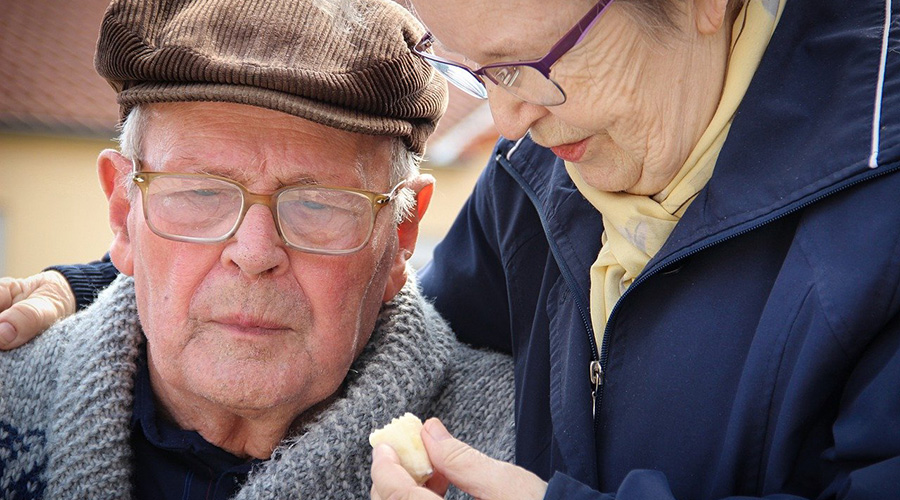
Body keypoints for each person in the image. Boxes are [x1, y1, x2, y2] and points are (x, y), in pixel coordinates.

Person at [3, 0, 900, 498]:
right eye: (478, 74)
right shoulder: (537, 177)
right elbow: (365, 305)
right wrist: (92, 293)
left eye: (533, 62)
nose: (505, 124)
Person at [0, 0, 516, 498]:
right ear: (123, 214)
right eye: (201, 192)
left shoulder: (520, 449)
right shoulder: (9, 398)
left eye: (316, 205)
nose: (253, 253)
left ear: (402, 235)